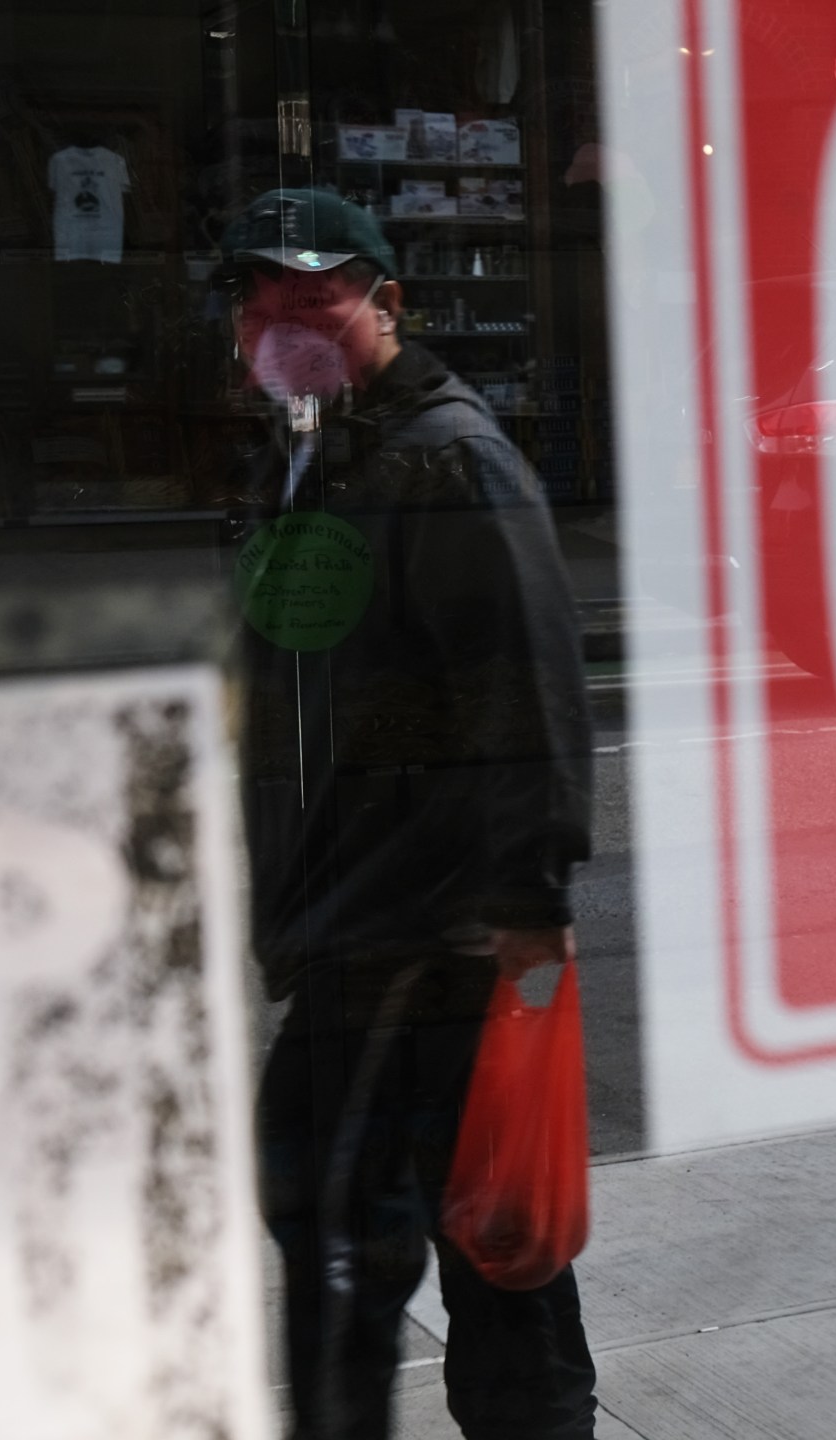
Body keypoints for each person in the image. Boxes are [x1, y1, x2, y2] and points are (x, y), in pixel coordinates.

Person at [221, 188, 597, 1440]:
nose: (284, 314)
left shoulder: (440, 458)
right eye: (259, 293)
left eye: (316, 290)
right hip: (356, 916)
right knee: (476, 1238)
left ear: (384, 303)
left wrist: (527, 914)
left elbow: (530, 691)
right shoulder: (316, 451)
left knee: (366, 1237)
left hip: (414, 933)